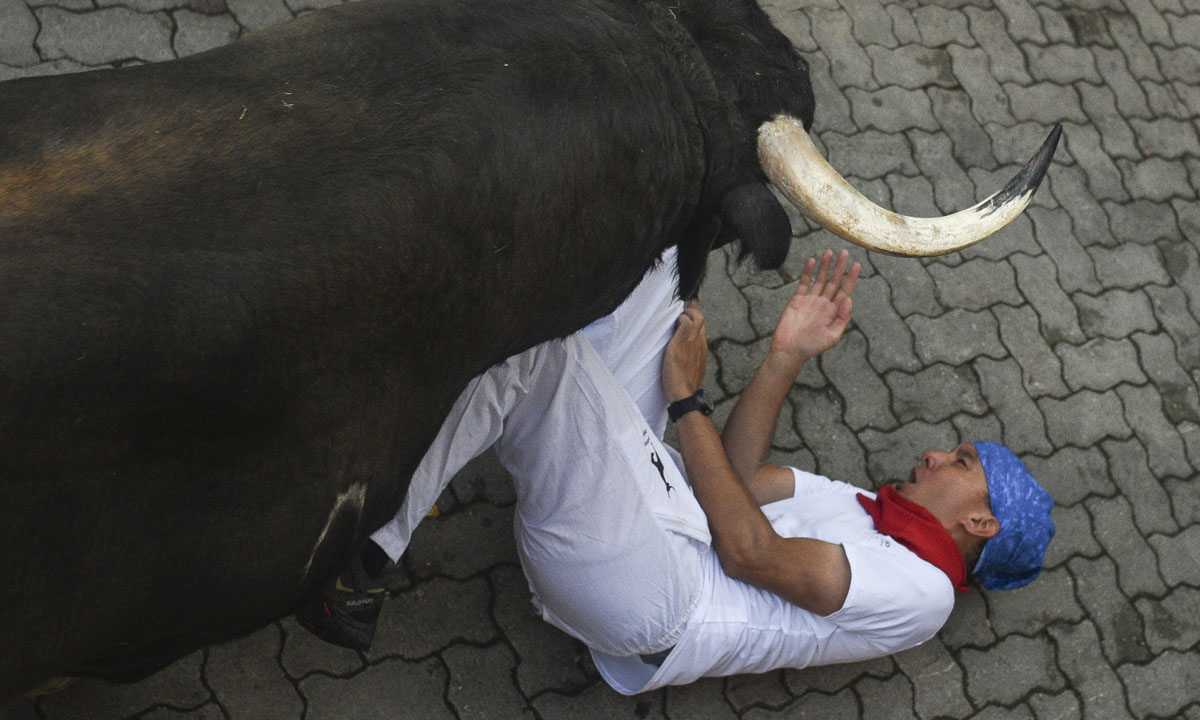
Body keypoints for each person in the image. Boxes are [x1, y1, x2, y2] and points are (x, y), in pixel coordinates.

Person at [298, 248, 1055, 693]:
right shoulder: (866, 507)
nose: (932, 455)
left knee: (543, 352)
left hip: (654, 602)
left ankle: (364, 555)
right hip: (660, 524)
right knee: (662, 272)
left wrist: (688, 398)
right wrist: (784, 355)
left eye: (960, 462)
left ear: (982, 523)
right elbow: (733, 482)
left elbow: (748, 552)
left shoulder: (923, 594)